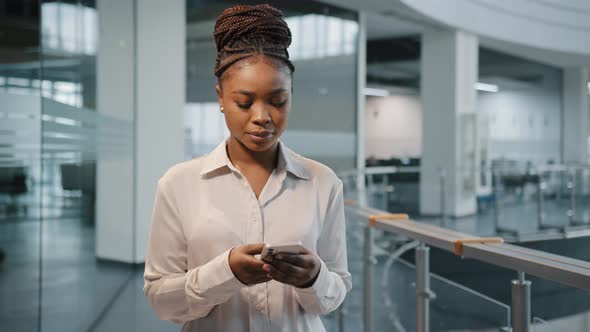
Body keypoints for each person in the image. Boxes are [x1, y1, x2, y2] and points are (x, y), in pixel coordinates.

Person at [143, 4, 351, 331]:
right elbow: (160, 299)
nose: (262, 116)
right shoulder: (178, 184)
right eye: (244, 102)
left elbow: (334, 293)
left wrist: (314, 277)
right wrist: (226, 273)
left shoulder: (323, 182)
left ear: (292, 96)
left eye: (278, 101)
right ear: (220, 98)